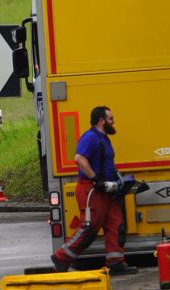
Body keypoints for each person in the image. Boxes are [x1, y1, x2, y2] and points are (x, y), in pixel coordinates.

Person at [51, 106, 138, 275]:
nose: (114, 121)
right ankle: (61, 258)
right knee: (89, 228)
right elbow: (79, 158)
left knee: (116, 225)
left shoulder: (104, 139)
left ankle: (115, 263)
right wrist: (95, 179)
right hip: (92, 190)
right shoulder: (90, 137)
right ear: (101, 120)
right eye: (111, 118)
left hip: (108, 191)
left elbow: (106, 164)